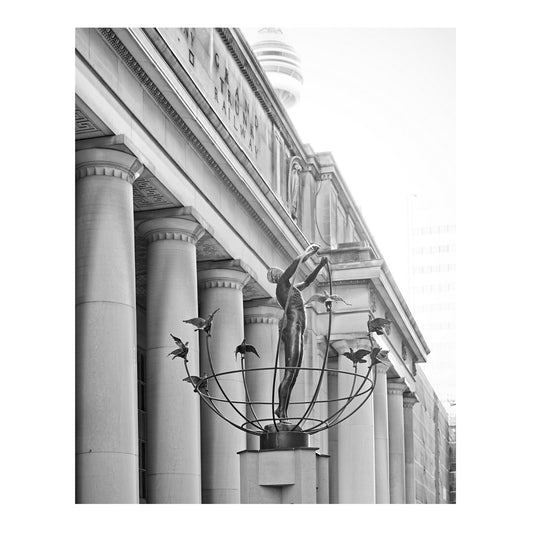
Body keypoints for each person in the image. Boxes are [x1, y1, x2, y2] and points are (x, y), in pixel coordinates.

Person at [267, 243, 328, 420]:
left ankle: (283, 409)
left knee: (293, 373)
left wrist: (320, 266)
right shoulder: (282, 286)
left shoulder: (292, 288)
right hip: (292, 328)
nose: (281, 272)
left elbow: (308, 281)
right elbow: (295, 262)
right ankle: (281, 408)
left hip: (299, 330)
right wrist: (309, 251)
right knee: (289, 371)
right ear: (275, 277)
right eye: (278, 272)